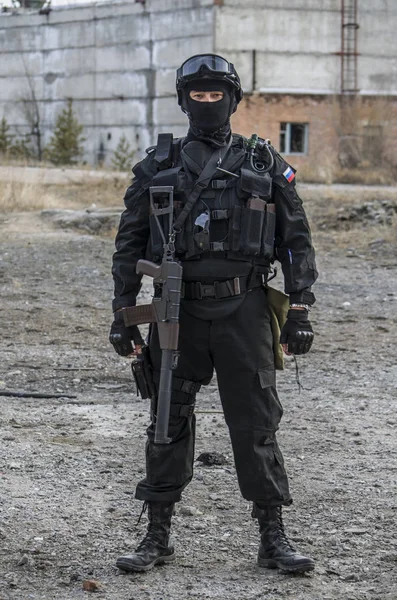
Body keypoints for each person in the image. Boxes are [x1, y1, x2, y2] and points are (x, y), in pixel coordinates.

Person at [109, 54, 318, 574]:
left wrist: (301, 308)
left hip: (244, 307)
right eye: (197, 95)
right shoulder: (156, 167)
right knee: (166, 419)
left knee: (256, 424)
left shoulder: (264, 162)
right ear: (184, 102)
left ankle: (273, 538)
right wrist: (122, 311)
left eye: (216, 94)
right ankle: (157, 536)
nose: (207, 103)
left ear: (233, 100)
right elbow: (128, 243)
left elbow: (296, 240)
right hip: (176, 310)